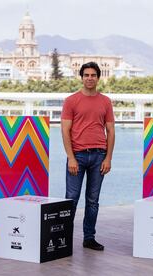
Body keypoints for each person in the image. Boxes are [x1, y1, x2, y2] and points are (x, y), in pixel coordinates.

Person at [61, 61, 115, 251]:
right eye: (86, 75)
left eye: (93, 75)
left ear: (98, 78)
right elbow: (65, 130)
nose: (90, 78)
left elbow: (110, 130)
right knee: (71, 199)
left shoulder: (105, 101)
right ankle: (63, 238)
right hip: (78, 156)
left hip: (99, 156)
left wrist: (108, 158)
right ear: (82, 77)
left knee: (93, 201)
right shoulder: (71, 101)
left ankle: (89, 238)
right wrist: (71, 157)